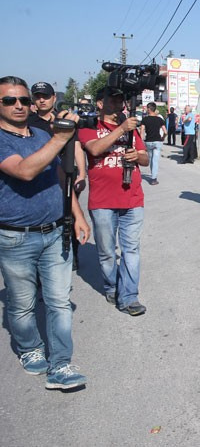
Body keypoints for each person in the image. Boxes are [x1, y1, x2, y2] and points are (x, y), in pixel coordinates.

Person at [0, 75, 91, 390]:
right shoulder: (3, 140)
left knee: (59, 301)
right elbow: (24, 171)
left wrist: (77, 215)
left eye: (23, 100)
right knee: (23, 304)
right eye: (9, 100)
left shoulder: (41, 135)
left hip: (55, 231)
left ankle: (62, 364)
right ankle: (29, 348)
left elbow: (60, 180)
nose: (20, 106)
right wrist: (61, 137)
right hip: (15, 237)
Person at [79, 86, 149, 316]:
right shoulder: (89, 127)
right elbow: (95, 148)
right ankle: (111, 286)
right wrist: (121, 128)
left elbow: (145, 159)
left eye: (122, 100)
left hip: (132, 198)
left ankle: (129, 296)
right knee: (107, 251)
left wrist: (136, 155)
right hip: (102, 201)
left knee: (131, 250)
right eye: (114, 100)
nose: (120, 104)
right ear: (101, 104)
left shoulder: (132, 130)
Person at [27, 81, 88, 271]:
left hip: (68, 173)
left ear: (54, 98)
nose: (42, 100)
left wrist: (83, 174)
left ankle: (72, 252)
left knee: (71, 216)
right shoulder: (29, 123)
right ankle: (41, 262)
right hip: (42, 178)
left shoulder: (65, 120)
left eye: (45, 96)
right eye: (37, 96)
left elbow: (77, 146)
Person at [141, 102, 166, 185]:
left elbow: (142, 131)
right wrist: (163, 138)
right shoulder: (159, 119)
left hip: (148, 141)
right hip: (157, 141)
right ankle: (153, 178)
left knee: (151, 159)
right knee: (155, 160)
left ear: (149, 109)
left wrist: (141, 141)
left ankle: (153, 175)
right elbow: (165, 131)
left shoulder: (145, 119)